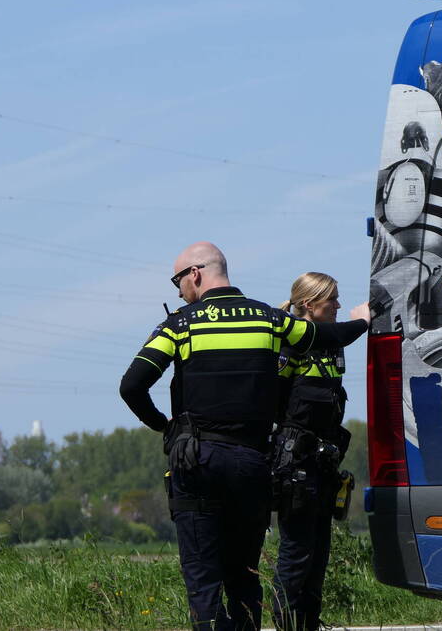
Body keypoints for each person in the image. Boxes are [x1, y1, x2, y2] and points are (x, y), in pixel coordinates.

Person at [118, 242, 370, 631]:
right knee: (244, 577)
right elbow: (324, 336)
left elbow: (132, 386)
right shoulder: (269, 320)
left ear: (195, 274)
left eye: (177, 280)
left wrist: (166, 427)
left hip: (196, 461)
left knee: (203, 580)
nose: (178, 290)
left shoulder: (181, 324)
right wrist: (365, 322)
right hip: (251, 465)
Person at [271, 272, 355, 631]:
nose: (338, 305)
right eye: (331, 300)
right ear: (309, 304)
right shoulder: (289, 344)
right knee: (296, 552)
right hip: (295, 463)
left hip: (324, 461)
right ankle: (286, 624)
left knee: (319, 552)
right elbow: (272, 398)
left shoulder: (332, 345)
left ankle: (309, 623)